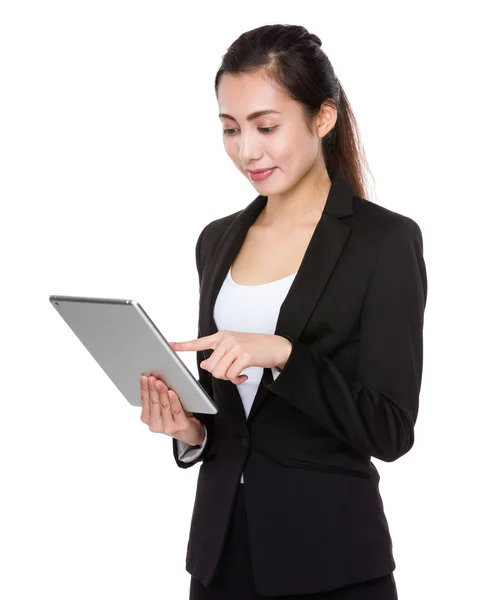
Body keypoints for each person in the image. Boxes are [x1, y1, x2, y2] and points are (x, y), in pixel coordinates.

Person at [140, 23, 427, 600]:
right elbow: (233, 417)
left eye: (267, 127)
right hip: (220, 559)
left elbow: (391, 429)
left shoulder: (384, 242)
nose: (248, 151)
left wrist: (284, 356)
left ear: (323, 117)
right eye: (230, 129)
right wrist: (190, 430)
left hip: (332, 561)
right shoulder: (216, 240)